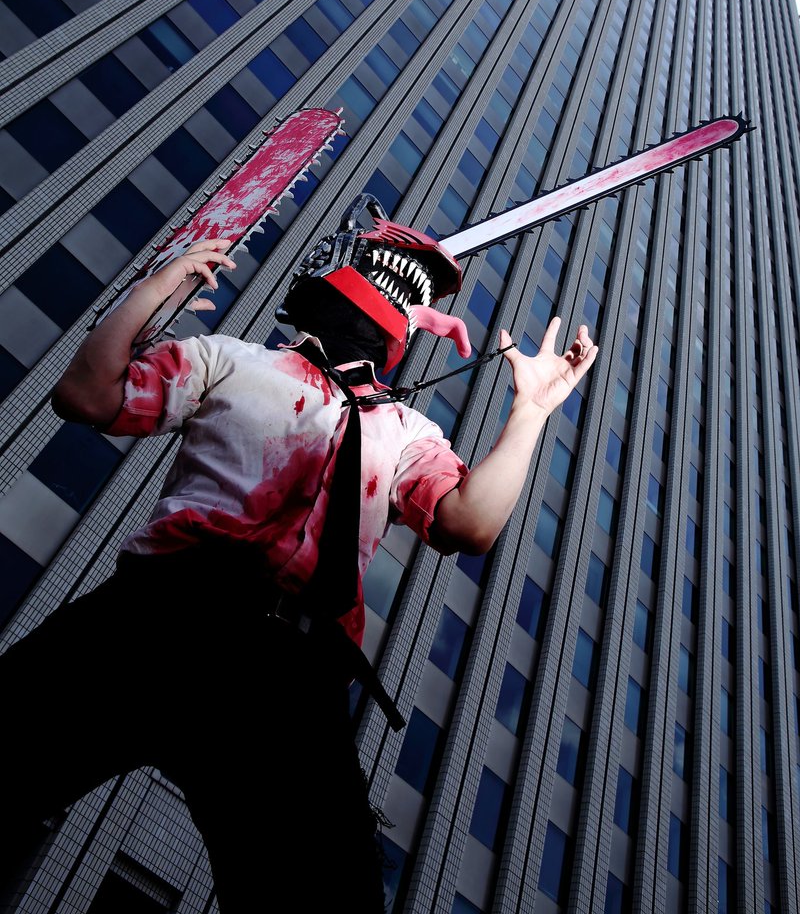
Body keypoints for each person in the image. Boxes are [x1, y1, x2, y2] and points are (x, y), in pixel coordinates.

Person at [0, 214, 597, 913]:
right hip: (156, 618)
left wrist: (530, 412)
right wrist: (154, 289)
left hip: (291, 670)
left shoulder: (407, 430)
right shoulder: (230, 359)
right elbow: (87, 395)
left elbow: (469, 525)